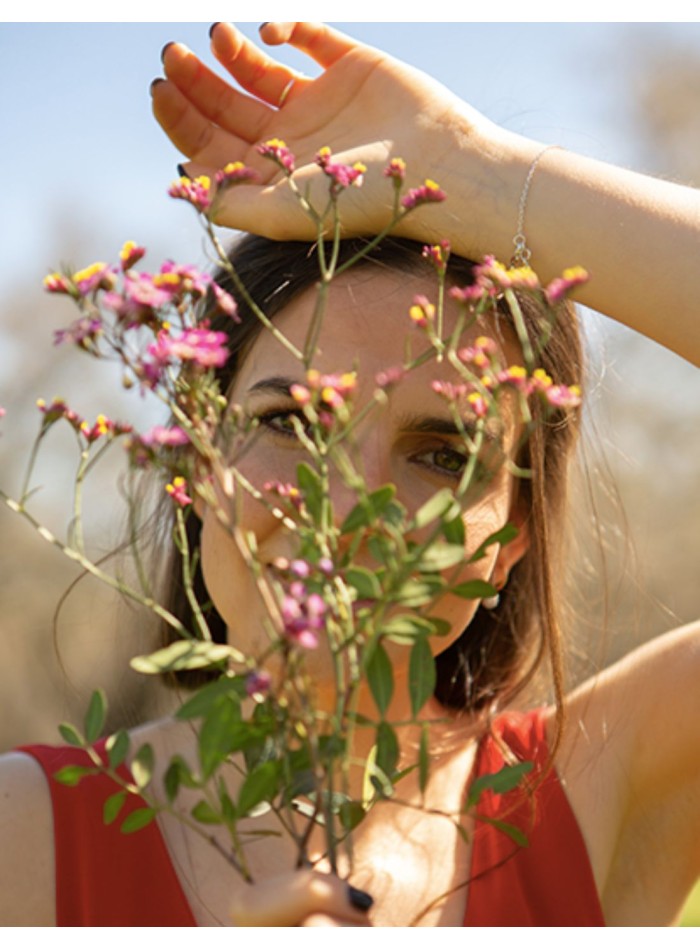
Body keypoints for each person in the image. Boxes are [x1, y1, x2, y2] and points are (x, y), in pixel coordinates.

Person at [1, 22, 698, 927]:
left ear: (508, 541)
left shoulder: (601, 791)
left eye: (441, 452)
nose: (348, 508)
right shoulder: (24, 835)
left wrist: (479, 173)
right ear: (200, 467)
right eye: (291, 423)